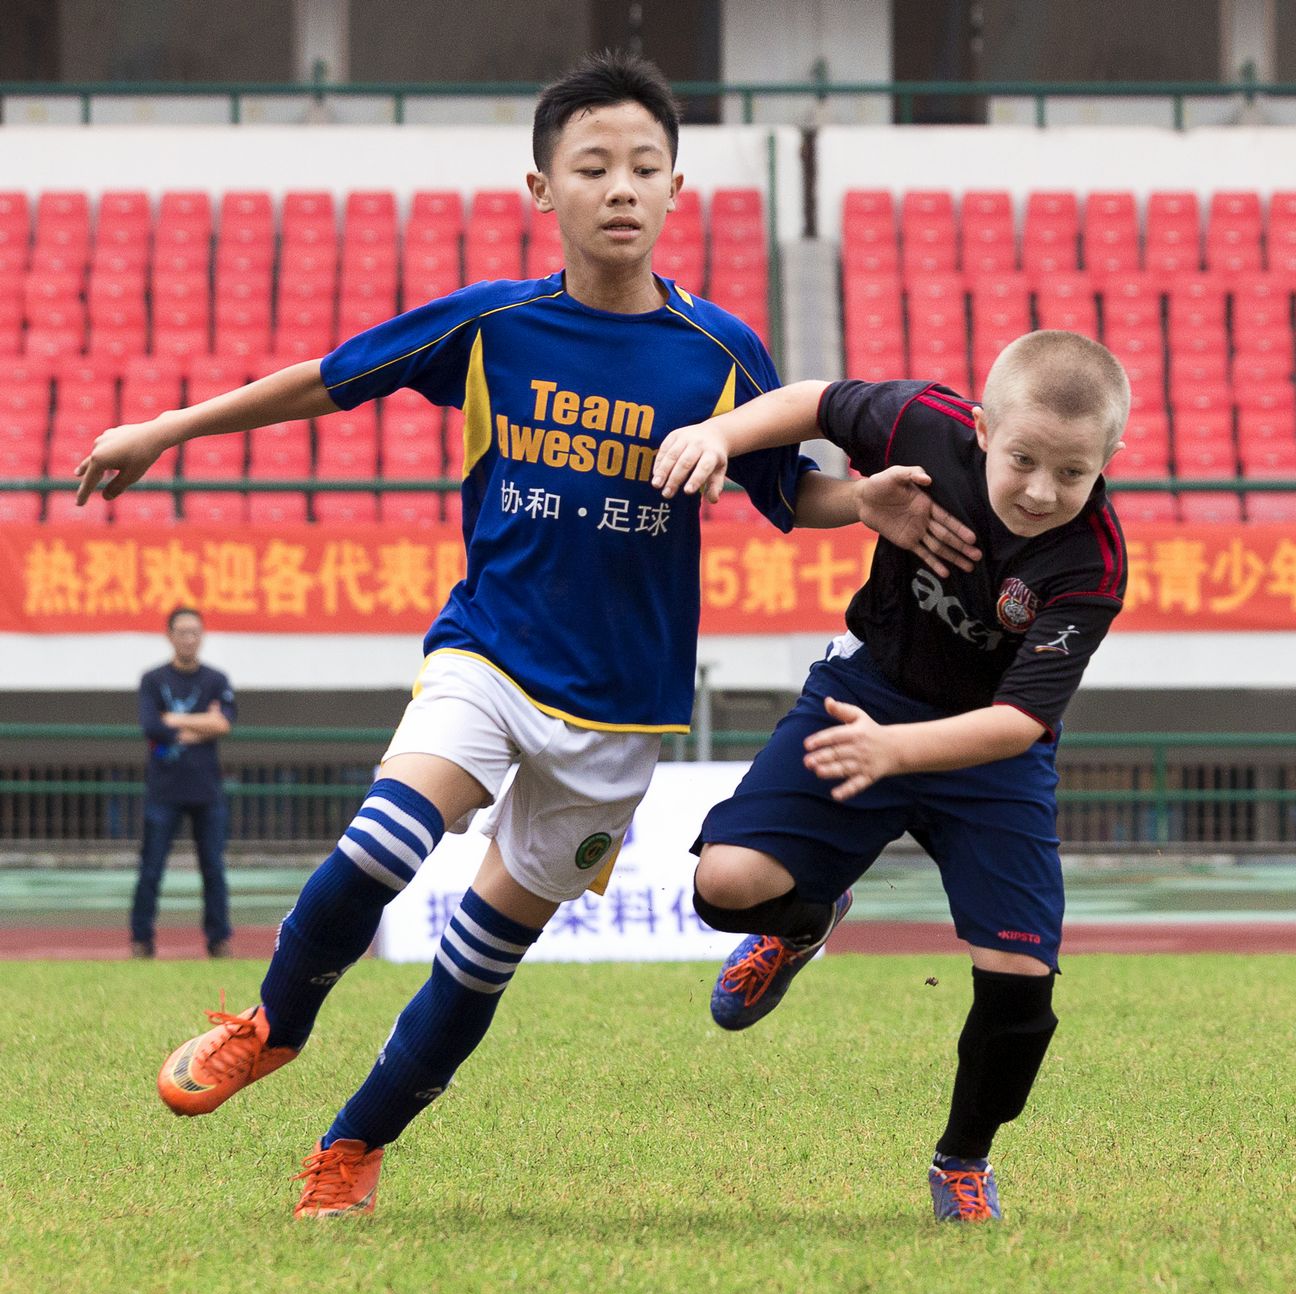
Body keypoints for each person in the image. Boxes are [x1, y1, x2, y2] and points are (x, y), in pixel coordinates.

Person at [72, 51, 968, 1220]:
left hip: (622, 711)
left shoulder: (720, 352)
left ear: (677, 189)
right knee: (382, 844)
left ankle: (350, 1148)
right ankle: (273, 1025)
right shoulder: (494, 323)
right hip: (487, 654)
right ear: (542, 188)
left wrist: (863, 503)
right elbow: (327, 381)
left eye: (643, 166)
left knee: (480, 957)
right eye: (591, 166)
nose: (620, 187)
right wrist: (165, 428)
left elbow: (784, 495)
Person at [649, 329, 1131, 1222]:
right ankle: (803, 925)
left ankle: (963, 1161)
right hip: (865, 688)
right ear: (981, 429)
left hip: (989, 752)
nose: (1040, 491)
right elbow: (813, 402)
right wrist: (719, 435)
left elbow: (1020, 721)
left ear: (1109, 460)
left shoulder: (1091, 561)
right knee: (724, 887)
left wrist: (895, 752)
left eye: (1072, 473)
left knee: (1021, 988)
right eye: (1023, 460)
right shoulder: (921, 423)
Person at [130, 606, 237, 959]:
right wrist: (203, 723)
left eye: (195, 632)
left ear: (202, 636)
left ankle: (218, 940)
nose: (189, 639)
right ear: (170, 636)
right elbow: (151, 726)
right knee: (151, 868)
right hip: (164, 790)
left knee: (213, 869)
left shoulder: (216, 679)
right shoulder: (153, 679)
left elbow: (224, 724)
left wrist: (175, 719)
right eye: (182, 632)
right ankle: (141, 940)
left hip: (207, 790)